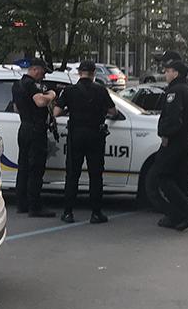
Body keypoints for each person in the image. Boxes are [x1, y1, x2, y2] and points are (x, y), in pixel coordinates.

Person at [55, 61, 117, 224]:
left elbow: (56, 111)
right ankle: (96, 213)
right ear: (94, 73)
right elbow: (113, 111)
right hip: (95, 136)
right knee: (95, 175)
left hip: (76, 135)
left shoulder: (69, 91)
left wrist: (69, 109)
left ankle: (68, 212)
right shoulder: (101, 90)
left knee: (72, 174)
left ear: (79, 72)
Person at [146, 58, 188, 231]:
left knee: (161, 177)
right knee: (180, 178)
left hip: (174, 141)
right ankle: (177, 216)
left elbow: (173, 119)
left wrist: (165, 134)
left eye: (168, 71)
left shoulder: (175, 91)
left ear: (176, 73)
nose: (165, 74)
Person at [12, 58, 59, 218]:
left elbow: (16, 108)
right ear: (35, 69)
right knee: (36, 169)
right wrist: (52, 94)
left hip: (24, 127)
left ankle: (22, 204)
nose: (44, 76)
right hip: (35, 130)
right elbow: (40, 102)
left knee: (23, 167)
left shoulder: (17, 85)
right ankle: (35, 206)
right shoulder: (31, 85)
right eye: (43, 72)